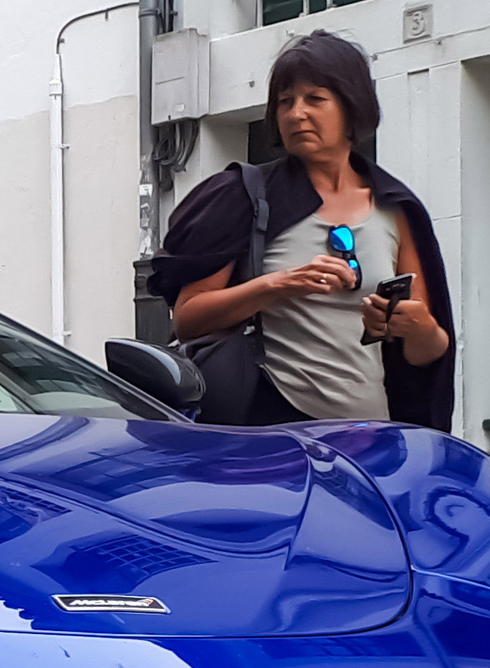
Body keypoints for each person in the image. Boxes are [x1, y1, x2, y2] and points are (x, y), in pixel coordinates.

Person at [154, 31, 456, 428]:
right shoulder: (242, 196)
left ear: (352, 107)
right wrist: (278, 285)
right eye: (285, 102)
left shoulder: (394, 207)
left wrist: (418, 327)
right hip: (274, 433)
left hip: (372, 433)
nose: (296, 114)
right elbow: (188, 319)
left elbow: (426, 351)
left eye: (315, 99)